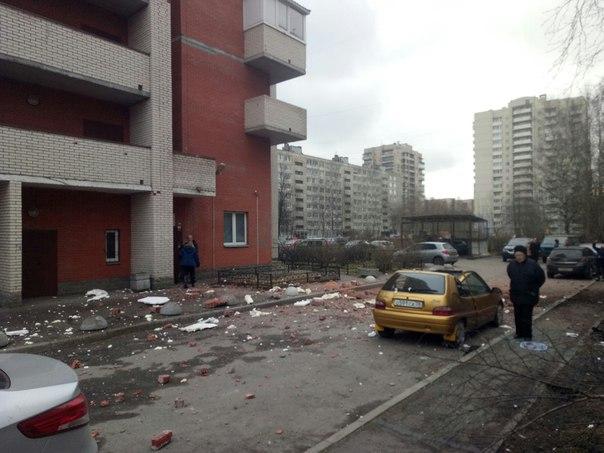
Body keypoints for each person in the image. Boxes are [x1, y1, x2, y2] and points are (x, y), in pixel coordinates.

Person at [506, 245, 546, 341]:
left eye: (520, 255)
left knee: (526, 316)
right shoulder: (511, 265)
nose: (518, 257)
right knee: (518, 316)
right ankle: (519, 333)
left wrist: (533, 290)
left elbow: (541, 278)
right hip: (516, 295)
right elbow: (511, 276)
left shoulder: (533, 265)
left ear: (525, 255)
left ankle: (527, 335)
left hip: (529, 295)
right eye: (516, 255)